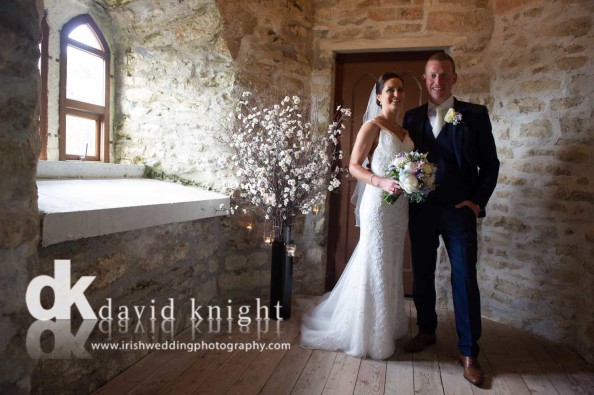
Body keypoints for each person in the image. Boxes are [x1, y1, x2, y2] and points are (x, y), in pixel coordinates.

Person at [402, 52, 499, 387]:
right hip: (423, 210)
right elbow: (403, 162)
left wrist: (477, 202)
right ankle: (426, 330)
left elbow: (491, 164)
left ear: (454, 77)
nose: (437, 81)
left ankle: (469, 349)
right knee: (422, 273)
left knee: (464, 277)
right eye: (431, 75)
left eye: (444, 75)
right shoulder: (411, 118)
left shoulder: (474, 114)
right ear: (425, 78)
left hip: (459, 211)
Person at [300, 73, 413, 360]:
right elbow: (353, 166)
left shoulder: (404, 132)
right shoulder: (371, 126)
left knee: (392, 260)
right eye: (390, 89)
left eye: (400, 89)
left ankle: (388, 324)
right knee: (374, 261)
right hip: (377, 202)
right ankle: (369, 334)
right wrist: (381, 182)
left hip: (399, 206)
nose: (396, 94)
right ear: (378, 96)